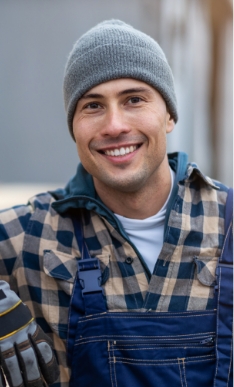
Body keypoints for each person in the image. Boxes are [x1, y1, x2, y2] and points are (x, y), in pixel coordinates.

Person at [0, 20, 232, 387]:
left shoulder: (227, 223)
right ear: (74, 128)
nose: (114, 125)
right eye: (93, 106)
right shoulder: (29, 236)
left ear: (169, 114)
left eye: (134, 99)